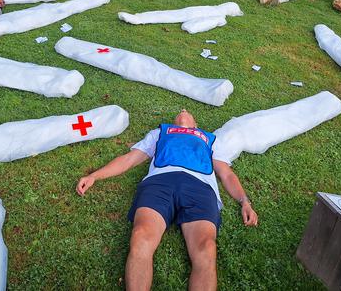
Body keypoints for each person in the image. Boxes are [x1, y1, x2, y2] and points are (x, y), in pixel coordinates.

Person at [76, 109, 258, 290]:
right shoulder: (160, 132)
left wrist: (245, 201)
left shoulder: (209, 139)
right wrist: (95, 176)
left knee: (206, 248)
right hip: (160, 183)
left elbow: (226, 174)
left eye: (188, 110)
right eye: (180, 111)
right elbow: (130, 159)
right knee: (141, 236)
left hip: (200, 188)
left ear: (196, 125)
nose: (184, 110)